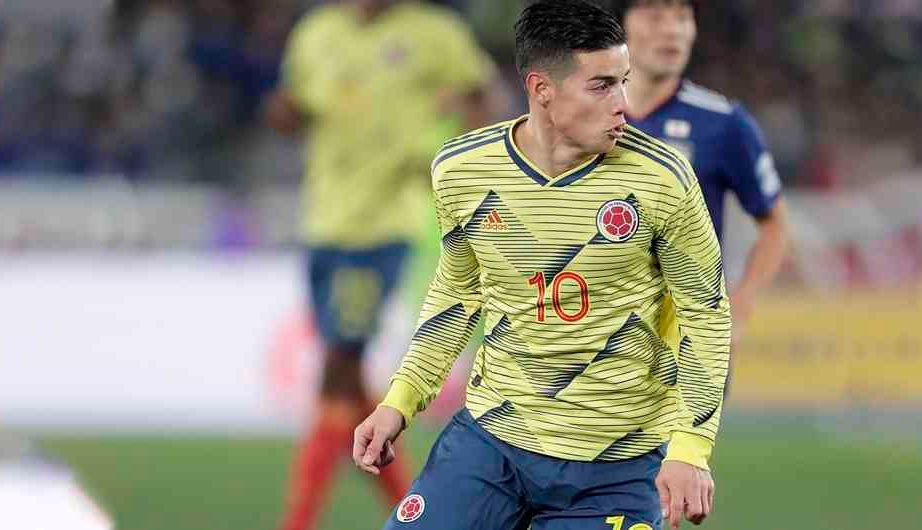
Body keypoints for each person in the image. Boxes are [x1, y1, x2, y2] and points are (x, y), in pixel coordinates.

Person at [352, 2, 731, 529]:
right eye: (601, 85)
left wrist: (690, 449)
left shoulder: (662, 180)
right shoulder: (462, 170)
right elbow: (457, 296)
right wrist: (400, 400)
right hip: (494, 441)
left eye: (624, 81)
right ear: (541, 89)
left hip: (615, 464)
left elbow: (706, 317)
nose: (624, 103)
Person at [264, 2, 496, 530]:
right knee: (347, 386)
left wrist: (464, 161)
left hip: (386, 222)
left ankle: (299, 522)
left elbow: (484, 98)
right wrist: (283, 111)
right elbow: (293, 109)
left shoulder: (434, 33)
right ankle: (415, 506)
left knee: (338, 368)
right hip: (323, 220)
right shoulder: (315, 32)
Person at [610, 0, 790, 329]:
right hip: (599, 337)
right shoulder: (578, 115)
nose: (671, 30)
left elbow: (775, 224)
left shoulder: (724, 122)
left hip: (691, 341)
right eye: (655, 17)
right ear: (620, 26)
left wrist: (743, 300)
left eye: (682, 17)